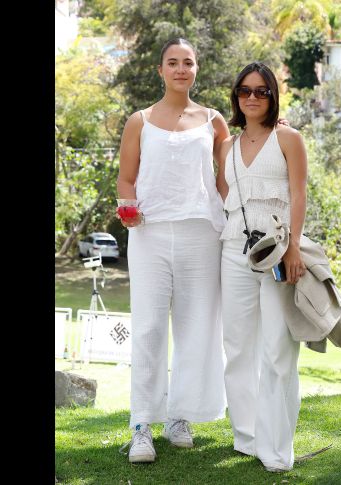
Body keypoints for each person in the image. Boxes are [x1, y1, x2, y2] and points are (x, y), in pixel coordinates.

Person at [115, 38, 231, 464]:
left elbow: (227, 178)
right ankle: (141, 425)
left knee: (196, 327)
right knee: (147, 328)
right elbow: (127, 181)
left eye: (188, 62)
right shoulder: (139, 121)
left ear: (196, 69)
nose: (181, 69)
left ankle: (179, 416)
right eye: (173, 63)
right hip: (149, 233)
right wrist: (127, 209)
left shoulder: (214, 121)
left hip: (203, 232)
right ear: (160, 70)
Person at [216, 62, 308, 472]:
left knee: (277, 350)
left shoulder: (289, 138)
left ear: (273, 95)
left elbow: (299, 194)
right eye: (244, 90)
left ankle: (276, 449)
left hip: (277, 252)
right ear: (236, 95)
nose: (252, 97)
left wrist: (294, 248)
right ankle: (247, 436)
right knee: (237, 348)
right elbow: (226, 195)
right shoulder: (226, 146)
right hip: (234, 250)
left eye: (261, 91)